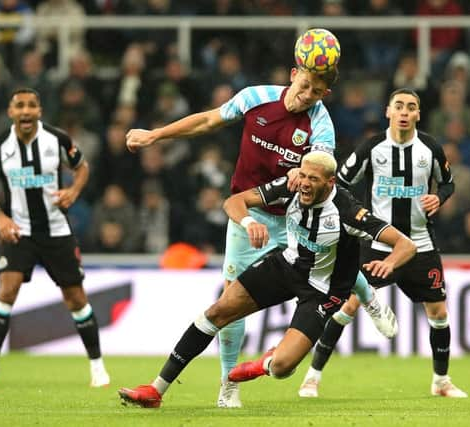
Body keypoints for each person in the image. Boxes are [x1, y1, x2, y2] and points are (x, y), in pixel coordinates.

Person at [124, 31, 396, 408]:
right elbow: (207, 121)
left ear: (324, 95)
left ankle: (369, 297)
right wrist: (156, 135)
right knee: (230, 299)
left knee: (333, 255)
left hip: (295, 219)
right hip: (250, 214)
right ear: (293, 73)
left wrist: (289, 184)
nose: (307, 96)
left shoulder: (321, 126)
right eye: (304, 85)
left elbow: (310, 176)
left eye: (316, 92)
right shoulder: (255, 98)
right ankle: (228, 384)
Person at [117, 151, 416, 409]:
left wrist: (388, 263)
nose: (305, 184)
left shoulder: (350, 213)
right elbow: (234, 201)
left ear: (330, 182)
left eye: (314, 179)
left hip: (322, 291)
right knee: (217, 312)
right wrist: (249, 221)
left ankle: (265, 363)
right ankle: (156, 389)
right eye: (304, 175)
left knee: (283, 367)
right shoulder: (291, 185)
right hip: (286, 266)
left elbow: (406, 245)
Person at [298, 88, 468, 399]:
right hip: (378, 244)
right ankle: (312, 377)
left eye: (412, 107)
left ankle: (441, 381)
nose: (405, 112)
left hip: (420, 244)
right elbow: (342, 184)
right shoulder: (371, 147)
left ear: (418, 114)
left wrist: (439, 198)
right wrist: (357, 219)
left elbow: (449, 182)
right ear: (388, 112)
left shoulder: (429, 148)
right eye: (399, 106)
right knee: (346, 305)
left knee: (439, 312)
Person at [0, 88, 110, 387]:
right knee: (6, 291)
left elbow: (82, 167)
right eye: (19, 106)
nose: (25, 111)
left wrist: (73, 191)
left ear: (39, 111)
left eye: (31, 106)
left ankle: (98, 368)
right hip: (19, 232)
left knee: (75, 298)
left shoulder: (56, 140)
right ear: (10, 112)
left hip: (56, 232)